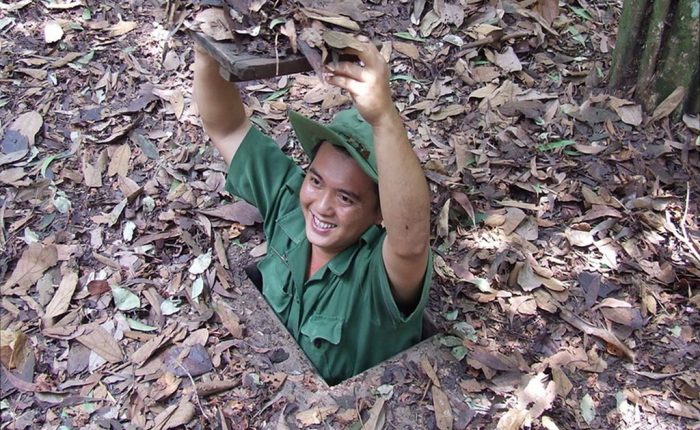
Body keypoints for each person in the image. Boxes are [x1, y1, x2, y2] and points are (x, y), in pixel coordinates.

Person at [193, 35, 432, 385]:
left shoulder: (379, 277)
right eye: (316, 181)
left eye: (346, 198)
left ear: (379, 213)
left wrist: (383, 118)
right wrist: (206, 52)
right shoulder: (289, 204)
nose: (321, 206)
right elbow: (227, 128)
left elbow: (410, 241)